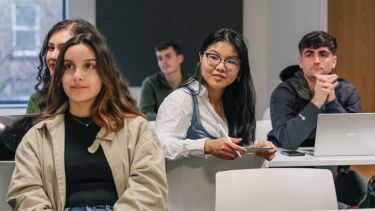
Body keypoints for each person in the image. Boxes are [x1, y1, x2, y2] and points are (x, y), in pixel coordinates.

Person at [7, 33, 168, 210]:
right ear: (60, 75)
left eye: (89, 66)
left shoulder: (138, 130)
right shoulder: (37, 138)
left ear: (104, 73)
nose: (77, 75)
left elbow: (149, 189)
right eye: (68, 66)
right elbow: (25, 194)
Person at [267, 31, 366, 206]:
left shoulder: (348, 91)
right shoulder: (284, 92)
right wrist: (317, 101)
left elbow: (355, 142)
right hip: (292, 172)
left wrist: (332, 100)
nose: (317, 60)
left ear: (333, 61)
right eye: (309, 54)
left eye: (323, 54)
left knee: (368, 194)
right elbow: (289, 141)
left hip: (336, 172)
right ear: (300, 62)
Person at [155, 28, 276, 161]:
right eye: (213, 57)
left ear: (240, 69)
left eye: (231, 61)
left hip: (229, 180)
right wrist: (207, 146)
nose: (220, 67)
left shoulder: (238, 103)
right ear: (201, 57)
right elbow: (159, 146)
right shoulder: (181, 100)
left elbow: (239, 151)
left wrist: (256, 149)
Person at [25, 19, 137, 114]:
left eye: (63, 48)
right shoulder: (38, 100)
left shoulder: (113, 101)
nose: (53, 56)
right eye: (51, 48)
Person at [139, 41, 190, 120]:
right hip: (160, 130)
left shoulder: (194, 83)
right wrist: (168, 119)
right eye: (160, 58)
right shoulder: (150, 83)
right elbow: (144, 112)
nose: (163, 62)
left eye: (168, 57)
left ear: (180, 59)